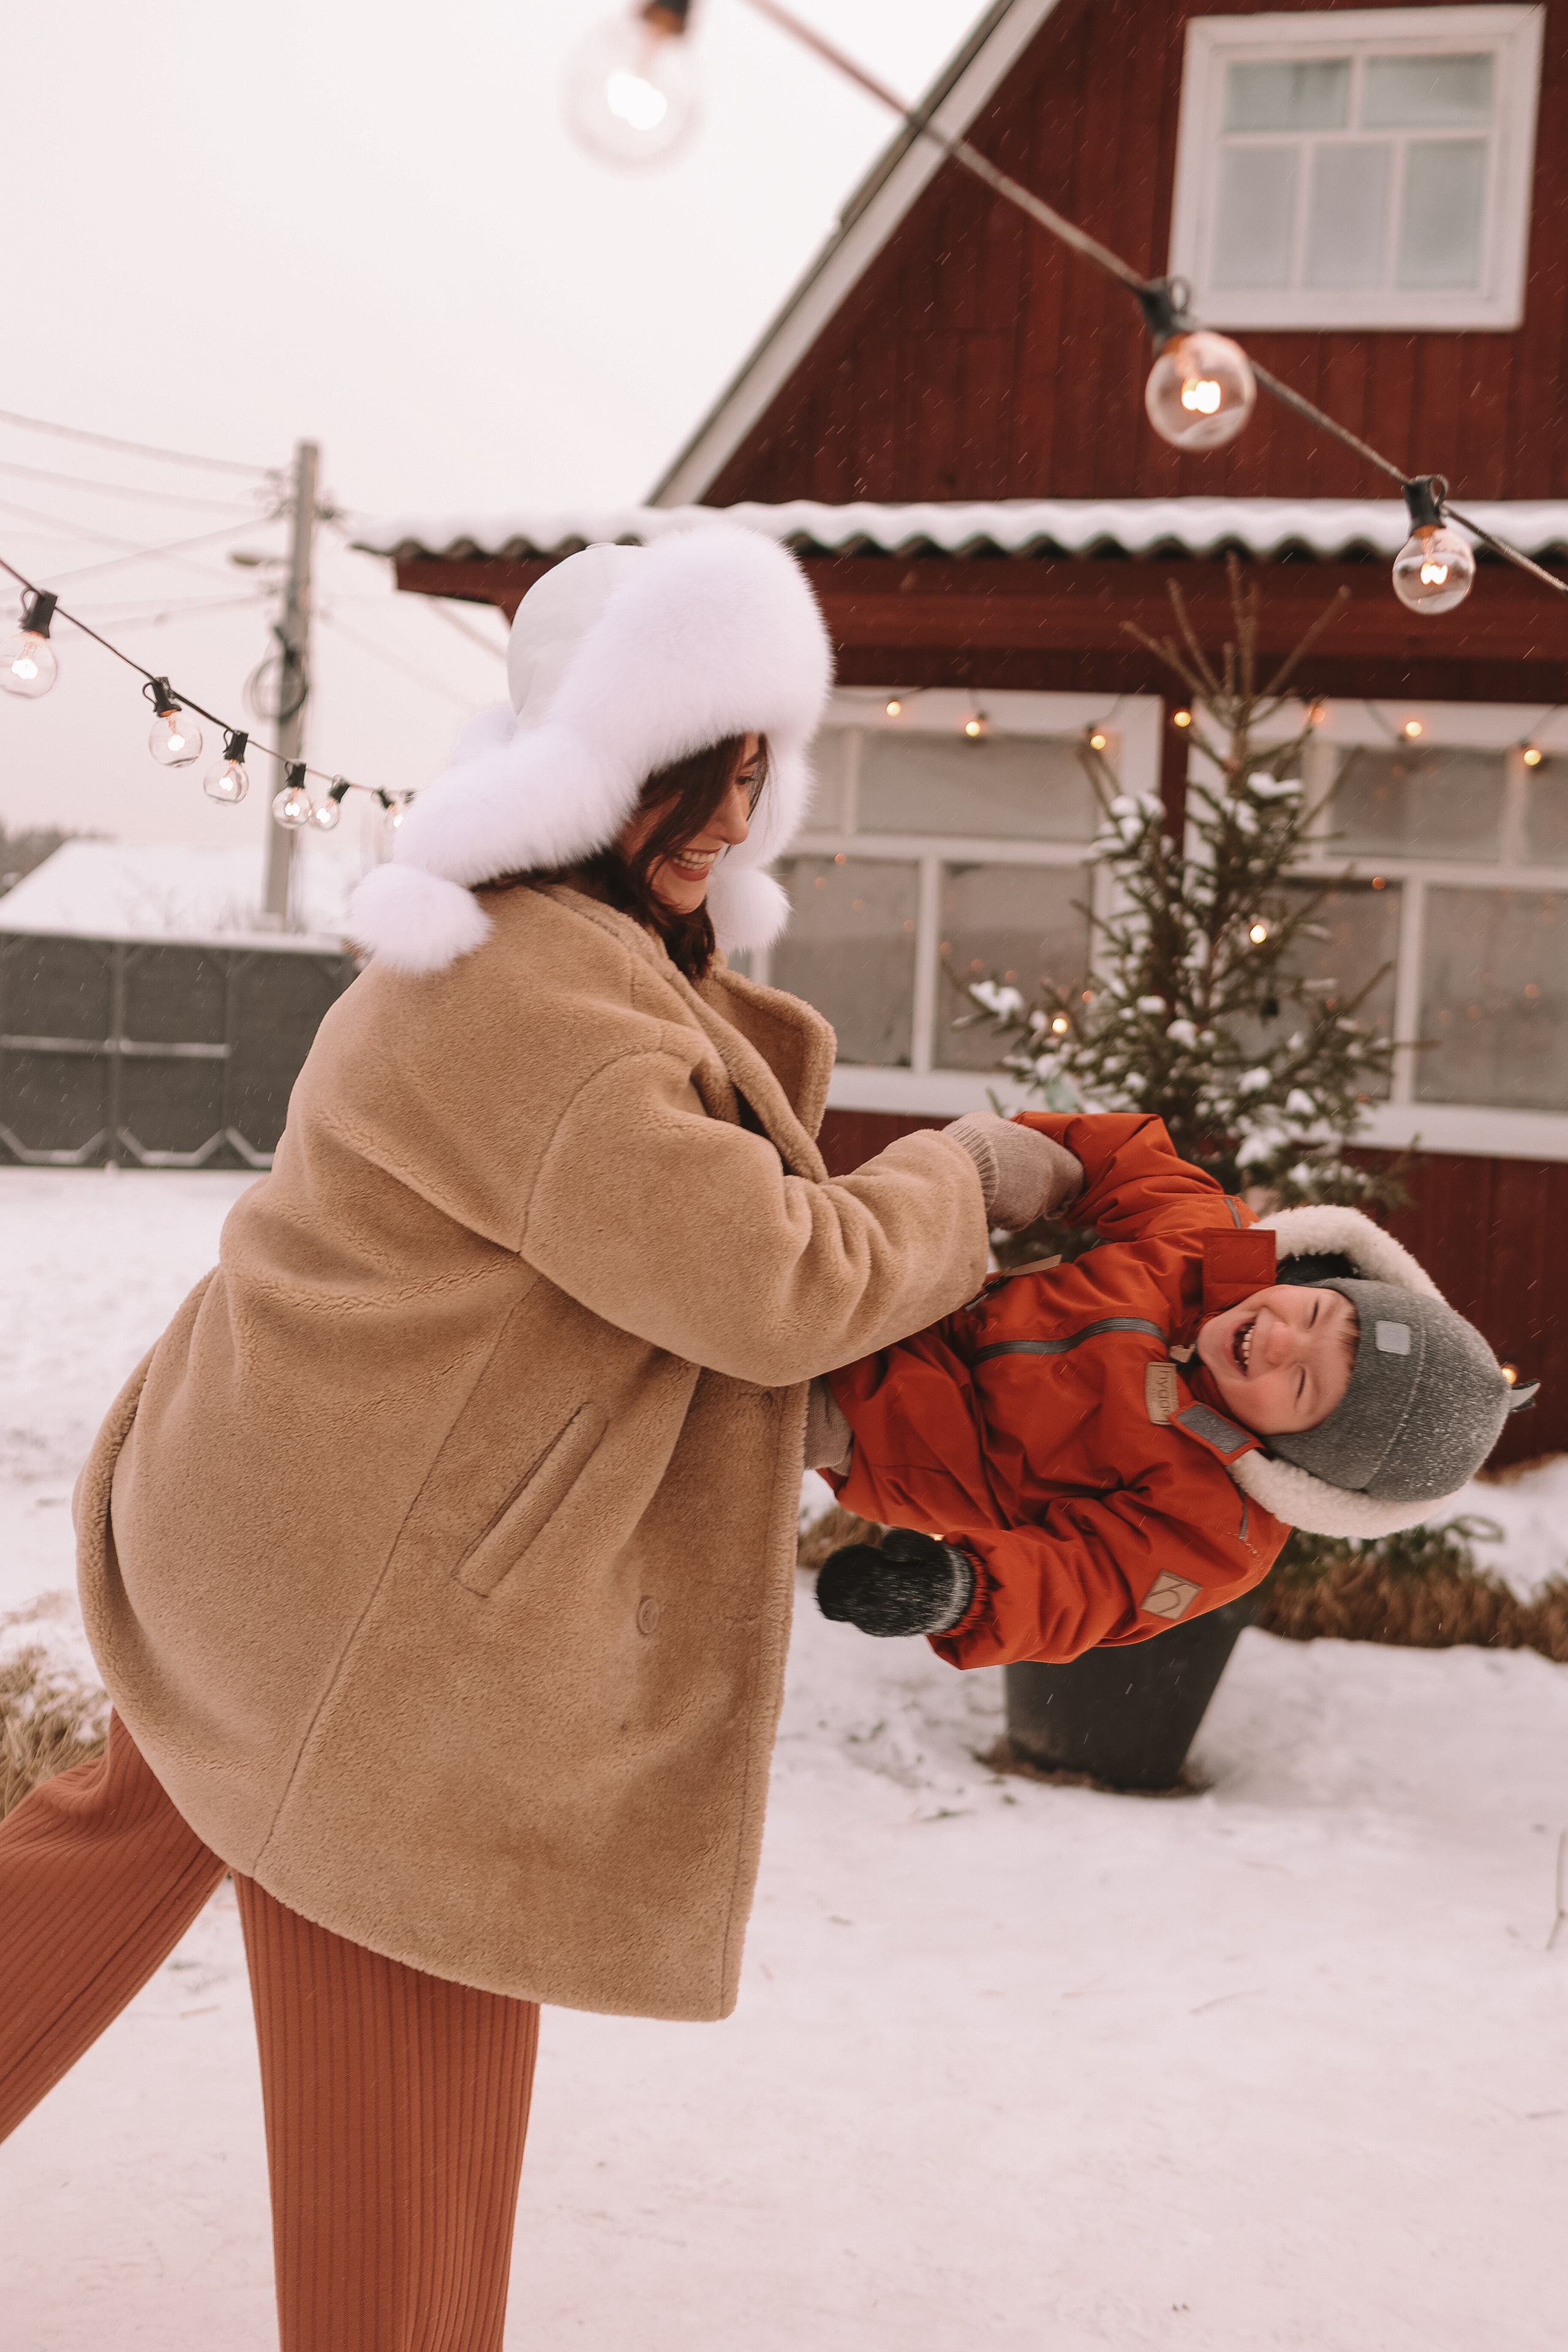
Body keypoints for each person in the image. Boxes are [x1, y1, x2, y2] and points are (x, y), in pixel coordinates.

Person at [0, 525, 1075, 2352]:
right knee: (409, 2031)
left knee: (103, 1858)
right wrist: (964, 1178)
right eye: (698, 769)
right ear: (598, 764)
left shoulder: (547, 959)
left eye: (756, 772)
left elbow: (623, 1282)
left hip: (273, 1529)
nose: (732, 816)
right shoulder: (536, 995)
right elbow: (774, 1277)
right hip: (375, 1626)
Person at [811, 1108, 1534, 1664]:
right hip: (923, 1290)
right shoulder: (1216, 1247)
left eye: (1302, 1384)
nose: (1279, 1340)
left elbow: (1092, 1586)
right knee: (825, 1239)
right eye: (1313, 1313)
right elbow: (1126, 1166)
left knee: (772, 1378)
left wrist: (960, 1593)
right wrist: (1028, 1164)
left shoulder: (1216, 1531)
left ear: (1299, 1456)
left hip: (888, 1434)